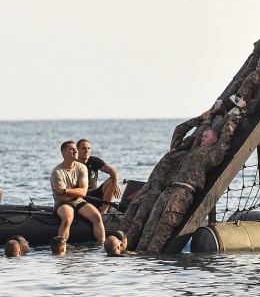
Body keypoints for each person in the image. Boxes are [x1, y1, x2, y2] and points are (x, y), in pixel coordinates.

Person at [137, 107, 243, 254]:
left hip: (183, 193)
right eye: (203, 135)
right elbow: (199, 130)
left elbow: (225, 136)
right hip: (170, 189)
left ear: (214, 140)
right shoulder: (193, 149)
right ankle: (140, 252)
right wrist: (209, 117)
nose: (202, 137)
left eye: (206, 136)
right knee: (151, 224)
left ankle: (152, 254)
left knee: (164, 226)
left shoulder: (212, 154)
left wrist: (235, 115)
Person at [119, 109, 218, 250]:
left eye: (188, 140)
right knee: (130, 212)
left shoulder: (188, 156)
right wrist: (200, 118)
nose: (185, 139)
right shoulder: (175, 149)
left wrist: (208, 120)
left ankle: (129, 247)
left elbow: (199, 138)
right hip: (149, 185)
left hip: (159, 189)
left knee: (139, 220)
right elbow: (179, 130)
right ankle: (118, 241)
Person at [50, 140, 106, 244]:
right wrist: (75, 192)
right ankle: (60, 247)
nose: (75, 151)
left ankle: (102, 246)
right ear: (64, 153)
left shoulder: (81, 168)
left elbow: (83, 192)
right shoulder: (57, 172)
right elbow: (62, 198)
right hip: (62, 203)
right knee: (67, 219)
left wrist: (65, 191)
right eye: (71, 149)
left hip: (79, 201)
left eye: (75, 149)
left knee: (97, 216)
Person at [76, 138, 121, 213]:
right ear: (77, 150)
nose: (87, 150)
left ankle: (103, 213)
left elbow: (113, 171)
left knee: (112, 180)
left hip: (94, 196)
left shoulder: (94, 161)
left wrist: (115, 183)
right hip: (80, 196)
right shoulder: (73, 164)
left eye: (89, 148)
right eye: (83, 148)